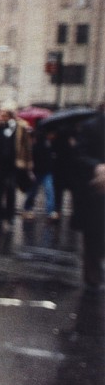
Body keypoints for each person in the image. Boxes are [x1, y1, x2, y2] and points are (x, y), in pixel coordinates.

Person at [0, 103, 33, 227]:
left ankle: (10, 216)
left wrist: (27, 163)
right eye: (1, 114)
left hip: (13, 164)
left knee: (11, 190)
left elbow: (26, 146)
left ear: (11, 115)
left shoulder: (20, 128)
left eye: (5, 114)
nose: (2, 116)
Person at [71, 105, 105, 291]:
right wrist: (97, 167)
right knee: (94, 234)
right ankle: (93, 276)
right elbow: (78, 155)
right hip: (95, 192)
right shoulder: (90, 126)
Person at [22, 128, 59, 220]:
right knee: (33, 191)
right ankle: (28, 208)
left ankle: (50, 211)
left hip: (46, 171)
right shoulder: (39, 143)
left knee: (48, 190)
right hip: (38, 170)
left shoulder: (50, 143)